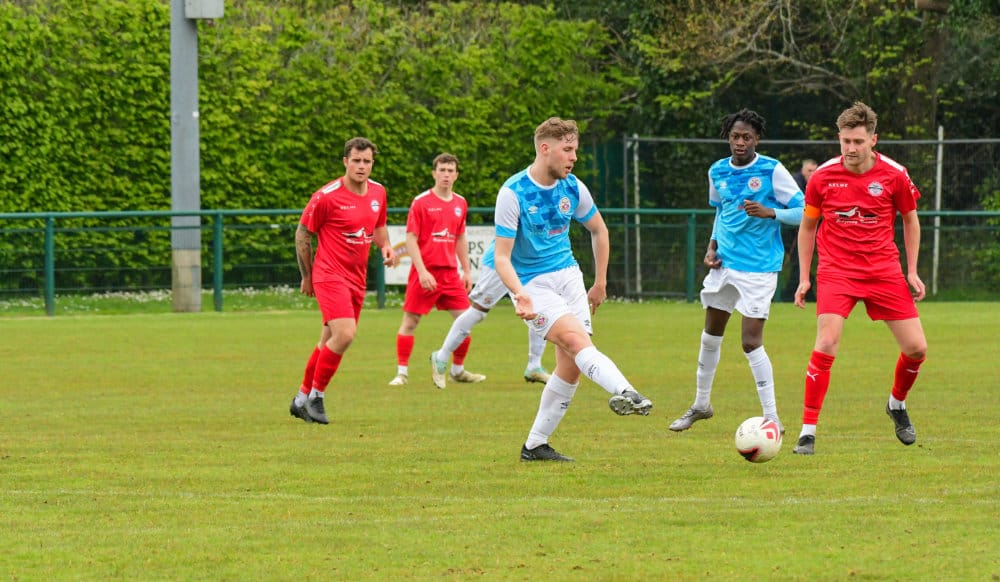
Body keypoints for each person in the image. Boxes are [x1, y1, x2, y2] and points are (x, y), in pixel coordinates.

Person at [493, 117, 653, 463]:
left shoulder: (573, 187)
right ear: (545, 149)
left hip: (569, 277)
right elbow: (501, 257)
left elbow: (599, 230)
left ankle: (535, 446)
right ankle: (627, 392)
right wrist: (519, 293)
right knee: (576, 342)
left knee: (570, 365)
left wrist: (600, 282)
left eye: (575, 150)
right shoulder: (513, 192)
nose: (574, 157)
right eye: (567, 149)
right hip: (534, 283)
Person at [791, 101, 928, 455]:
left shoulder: (895, 174)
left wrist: (912, 270)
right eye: (845, 141)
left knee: (916, 349)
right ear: (839, 138)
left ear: (873, 140)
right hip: (837, 270)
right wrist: (804, 277)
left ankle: (896, 404)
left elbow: (910, 220)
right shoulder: (822, 177)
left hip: (883, 270)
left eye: (858, 142)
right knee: (827, 341)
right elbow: (807, 227)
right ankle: (807, 432)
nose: (851, 149)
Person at [668, 109, 804, 434]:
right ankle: (701, 404)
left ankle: (772, 416)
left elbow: (806, 212)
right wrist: (711, 246)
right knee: (710, 334)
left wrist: (771, 213)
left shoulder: (772, 170)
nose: (740, 142)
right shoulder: (717, 171)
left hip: (758, 269)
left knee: (750, 342)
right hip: (725, 264)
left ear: (757, 139)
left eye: (746, 137)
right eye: (735, 136)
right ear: (727, 138)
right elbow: (722, 211)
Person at [288, 137, 398, 425]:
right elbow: (302, 234)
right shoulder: (326, 196)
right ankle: (316, 397)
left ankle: (300, 399)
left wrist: (385, 246)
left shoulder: (378, 192)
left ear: (372, 163)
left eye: (367, 161)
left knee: (328, 340)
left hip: (356, 279)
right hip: (329, 275)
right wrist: (307, 276)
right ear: (345, 162)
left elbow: (379, 225)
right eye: (356, 161)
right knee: (345, 334)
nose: (362, 166)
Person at [388, 153, 486, 387]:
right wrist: (422, 272)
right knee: (410, 322)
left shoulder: (460, 203)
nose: (446, 175)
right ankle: (401, 373)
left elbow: (460, 237)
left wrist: (467, 271)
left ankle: (458, 371)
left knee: (465, 321)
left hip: (450, 274)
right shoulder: (421, 202)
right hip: (425, 272)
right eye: (442, 170)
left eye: (450, 171)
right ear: (434, 173)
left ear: (456, 175)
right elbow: (410, 238)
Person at [429, 239, 552, 389]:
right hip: (501, 262)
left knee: (537, 310)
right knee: (478, 312)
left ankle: (534, 366)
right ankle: (441, 356)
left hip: (528, 262)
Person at [781, 159, 818, 301]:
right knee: (795, 262)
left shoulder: (818, 181)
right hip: (788, 229)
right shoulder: (794, 182)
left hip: (805, 228)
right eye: (809, 171)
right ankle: (791, 294)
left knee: (800, 263)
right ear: (802, 171)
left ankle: (805, 293)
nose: (812, 174)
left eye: (815, 171)